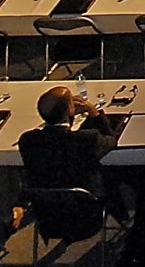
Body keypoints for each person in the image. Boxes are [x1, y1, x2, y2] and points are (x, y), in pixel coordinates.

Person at [18, 86, 125, 220]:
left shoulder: (27, 140)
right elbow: (111, 140)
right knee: (124, 172)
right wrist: (95, 113)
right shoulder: (87, 139)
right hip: (88, 215)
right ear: (70, 108)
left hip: (50, 217)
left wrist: (69, 116)